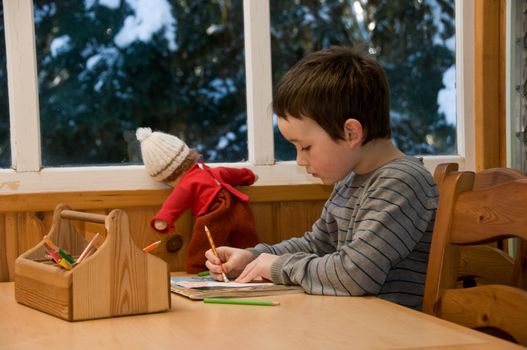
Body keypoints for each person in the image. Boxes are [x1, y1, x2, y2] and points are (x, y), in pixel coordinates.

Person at [205, 46, 438, 310]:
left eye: (305, 147)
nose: (300, 160)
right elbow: (317, 245)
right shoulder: (350, 181)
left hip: (395, 330)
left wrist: (277, 266)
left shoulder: (402, 182)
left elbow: (355, 274)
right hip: (353, 320)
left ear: (351, 133)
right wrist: (253, 257)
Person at [136, 127, 260, 273]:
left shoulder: (186, 185)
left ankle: (197, 269)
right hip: (239, 207)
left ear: (168, 177)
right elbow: (232, 174)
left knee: (204, 246)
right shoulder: (208, 170)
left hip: (214, 214)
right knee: (247, 242)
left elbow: (174, 204)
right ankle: (253, 263)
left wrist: (163, 219)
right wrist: (249, 176)